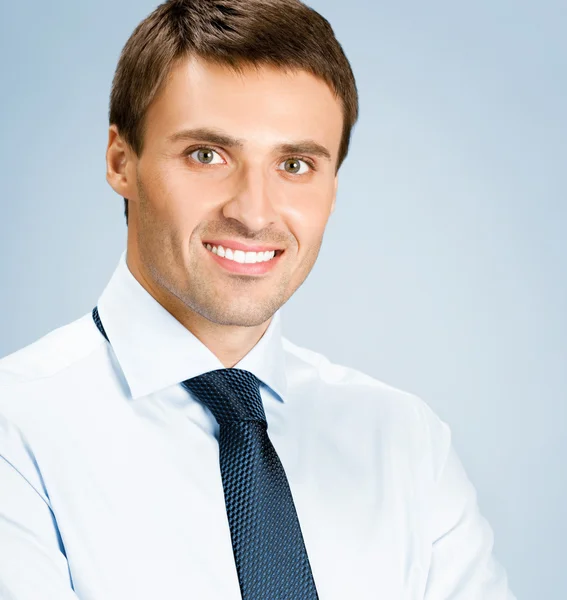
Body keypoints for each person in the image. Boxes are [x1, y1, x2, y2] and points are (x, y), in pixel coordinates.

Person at [0, 0, 516, 598]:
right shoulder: (17, 434)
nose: (253, 211)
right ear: (122, 161)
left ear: (332, 188)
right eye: (207, 155)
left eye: (295, 164)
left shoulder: (406, 443)